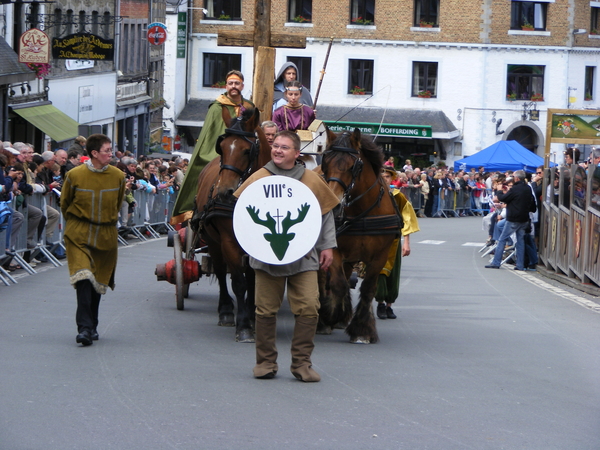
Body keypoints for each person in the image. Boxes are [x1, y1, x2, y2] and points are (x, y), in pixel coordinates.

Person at [234, 130, 339, 382]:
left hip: (304, 258)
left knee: (309, 307)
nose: (278, 150)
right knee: (265, 310)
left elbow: (325, 216)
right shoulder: (258, 179)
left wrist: (327, 246)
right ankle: (265, 363)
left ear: (296, 152)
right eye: (275, 146)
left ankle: (302, 365)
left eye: (284, 147)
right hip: (266, 257)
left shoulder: (312, 180)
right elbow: (243, 215)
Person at [61, 134, 126, 346]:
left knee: (97, 282)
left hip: (105, 235)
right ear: (94, 153)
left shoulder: (117, 176)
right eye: (107, 150)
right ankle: (84, 328)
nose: (111, 154)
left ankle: (93, 324)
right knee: (83, 278)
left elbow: (117, 205)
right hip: (79, 233)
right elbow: (65, 203)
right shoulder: (75, 175)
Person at [172, 70, 255, 223]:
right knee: (203, 167)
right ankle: (195, 209)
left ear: (242, 86)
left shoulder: (250, 107)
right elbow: (210, 135)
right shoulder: (217, 107)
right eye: (230, 83)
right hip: (219, 150)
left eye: (237, 83)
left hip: (243, 152)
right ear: (226, 85)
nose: (233, 86)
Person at [375, 167, 420, 319]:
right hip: (376, 242)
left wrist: (406, 242)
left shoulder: (398, 196)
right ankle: (380, 303)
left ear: (392, 178)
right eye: (382, 176)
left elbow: (407, 219)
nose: (385, 179)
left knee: (393, 275)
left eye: (387, 176)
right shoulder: (372, 196)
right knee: (378, 273)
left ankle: (389, 305)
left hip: (393, 241)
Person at [485, 170, 536, 271]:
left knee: (502, 239)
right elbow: (532, 204)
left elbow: (504, 198)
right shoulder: (527, 188)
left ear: (517, 178)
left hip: (513, 218)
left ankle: (496, 262)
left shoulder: (515, 189)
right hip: (524, 218)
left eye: (513, 177)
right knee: (520, 241)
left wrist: (499, 190)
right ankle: (520, 265)